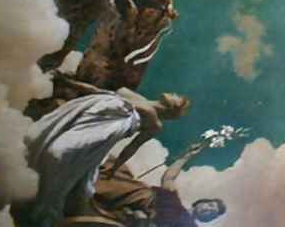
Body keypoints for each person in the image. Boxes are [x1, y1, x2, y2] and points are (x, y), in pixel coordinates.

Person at [24, 73, 190, 227]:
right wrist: (68, 82)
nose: (174, 94)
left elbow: (132, 147)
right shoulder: (136, 98)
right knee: (48, 144)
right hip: (87, 119)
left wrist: (115, 167)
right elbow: (97, 92)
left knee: (60, 152)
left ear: (173, 108)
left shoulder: (154, 124)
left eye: (177, 98)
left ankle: (45, 203)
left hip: (100, 136)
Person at [92, 145, 226, 226]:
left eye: (212, 214)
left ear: (208, 219)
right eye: (210, 205)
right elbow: (169, 178)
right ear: (200, 202)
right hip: (144, 198)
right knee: (118, 169)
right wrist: (187, 156)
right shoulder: (173, 200)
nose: (209, 210)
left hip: (149, 221)